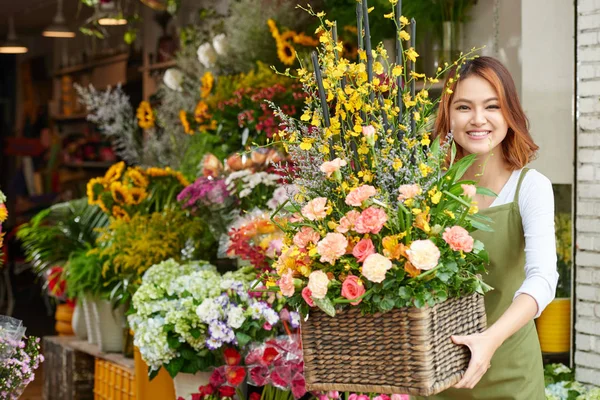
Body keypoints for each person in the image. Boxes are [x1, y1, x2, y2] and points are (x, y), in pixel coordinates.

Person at [418, 56, 559, 399]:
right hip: (440, 375)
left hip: (512, 373)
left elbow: (542, 280)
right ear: (448, 116)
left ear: (509, 113)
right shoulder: (426, 189)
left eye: (492, 106)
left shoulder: (530, 186)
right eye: (464, 107)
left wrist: (490, 341)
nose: (478, 119)